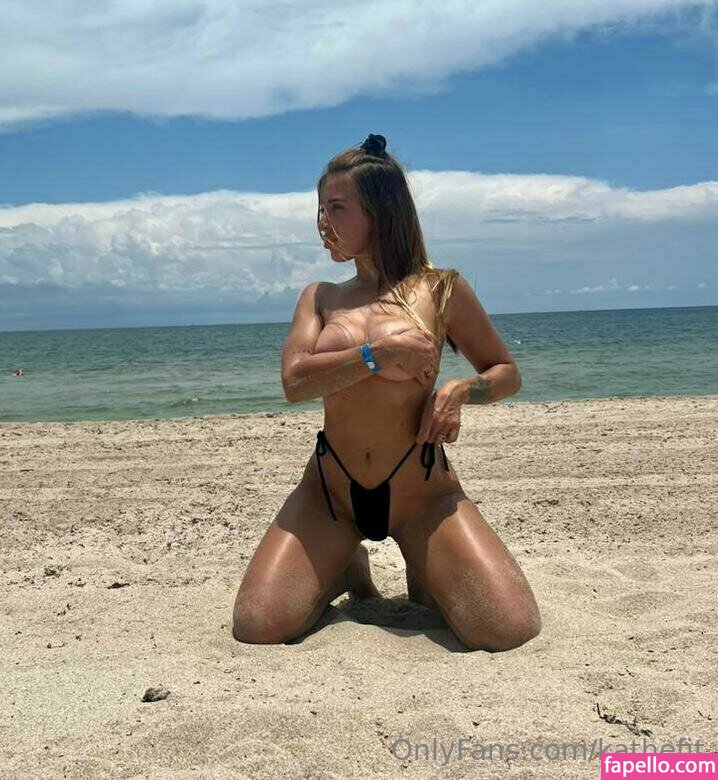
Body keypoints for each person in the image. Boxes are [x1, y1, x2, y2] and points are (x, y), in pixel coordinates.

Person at [233, 134, 541, 651]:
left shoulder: (442, 289)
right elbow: (295, 381)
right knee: (257, 626)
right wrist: (377, 354)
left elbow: (506, 372)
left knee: (507, 629)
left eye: (336, 208)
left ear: (380, 210)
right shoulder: (320, 297)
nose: (322, 223)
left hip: (422, 497)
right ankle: (345, 565)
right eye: (320, 209)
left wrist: (462, 390)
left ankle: (424, 565)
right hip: (331, 495)